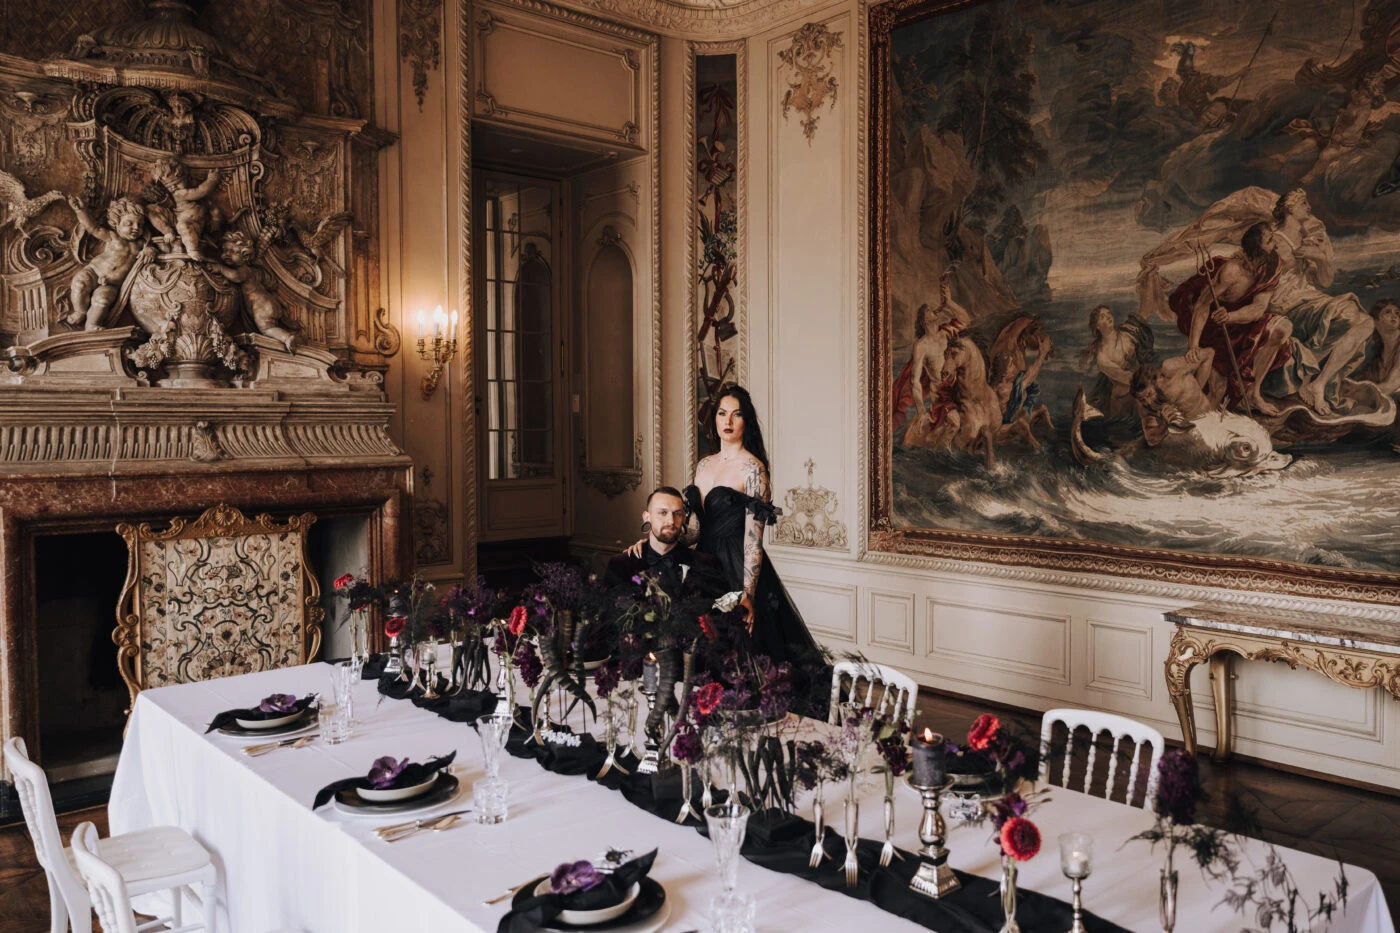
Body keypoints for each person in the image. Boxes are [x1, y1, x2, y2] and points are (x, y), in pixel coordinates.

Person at [625, 385, 821, 667]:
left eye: (736, 415)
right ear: (714, 418)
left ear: (746, 421)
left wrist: (747, 595)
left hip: (736, 567)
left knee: (741, 655)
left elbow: (754, 540)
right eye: (722, 413)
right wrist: (653, 542)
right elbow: (693, 532)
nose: (728, 422)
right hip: (702, 565)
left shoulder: (753, 469)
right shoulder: (704, 465)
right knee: (701, 649)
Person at [604, 486, 719, 599]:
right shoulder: (620, 564)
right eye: (663, 513)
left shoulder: (704, 564)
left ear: (684, 518)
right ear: (647, 517)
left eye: (677, 514)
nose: (671, 521)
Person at [64, 196, 153, 330]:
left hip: (113, 284)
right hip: (94, 272)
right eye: (129, 223)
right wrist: (81, 211)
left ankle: (91, 324)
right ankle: (80, 311)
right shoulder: (113, 237)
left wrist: (151, 250)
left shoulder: (141, 244)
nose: (136, 228)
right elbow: (92, 228)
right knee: (80, 283)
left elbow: (155, 248)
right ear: (116, 224)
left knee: (103, 299)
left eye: (140, 225)